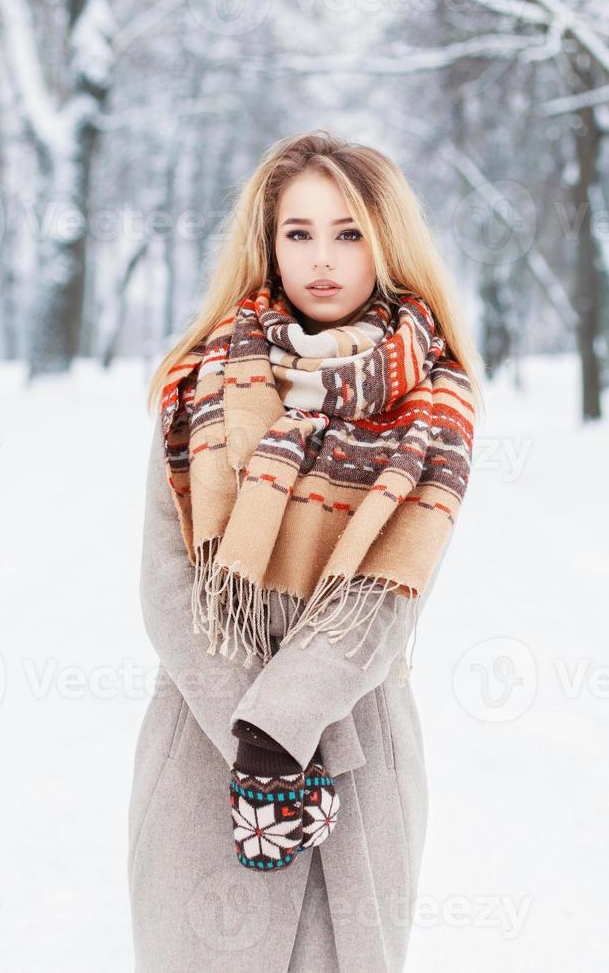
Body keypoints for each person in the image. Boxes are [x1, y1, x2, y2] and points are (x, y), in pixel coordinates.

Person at [127, 129, 483, 972]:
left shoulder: (435, 399)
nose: (322, 257)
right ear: (269, 241)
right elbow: (167, 578)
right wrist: (244, 732)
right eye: (300, 232)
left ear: (386, 241)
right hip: (202, 746)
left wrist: (282, 731)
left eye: (349, 232)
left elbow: (390, 594)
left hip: (352, 749)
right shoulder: (200, 380)